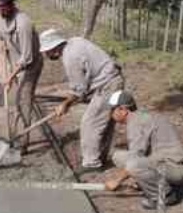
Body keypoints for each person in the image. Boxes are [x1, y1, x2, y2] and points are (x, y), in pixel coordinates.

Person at [38, 28, 124, 170]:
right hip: (114, 80)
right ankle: (100, 157)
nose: (46, 55)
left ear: (54, 48)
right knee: (105, 122)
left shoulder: (70, 58)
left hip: (108, 86)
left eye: (46, 52)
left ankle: (91, 163)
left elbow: (79, 90)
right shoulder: (76, 41)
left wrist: (65, 104)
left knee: (89, 123)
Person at [103, 90, 183, 209]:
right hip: (164, 163)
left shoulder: (137, 122)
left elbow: (136, 158)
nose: (111, 113)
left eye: (112, 110)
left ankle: (165, 196)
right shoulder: (139, 117)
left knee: (134, 164)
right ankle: (151, 183)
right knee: (119, 156)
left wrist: (116, 180)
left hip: (176, 168)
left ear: (123, 110)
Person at [0, 0, 44, 153]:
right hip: (15, 64)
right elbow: (3, 37)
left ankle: (23, 143)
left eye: (4, 7)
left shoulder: (23, 24)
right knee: (13, 100)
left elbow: (27, 58)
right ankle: (12, 136)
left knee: (23, 102)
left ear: (12, 5)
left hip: (29, 67)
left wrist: (10, 78)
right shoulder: (3, 18)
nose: (2, 11)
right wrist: (2, 46)